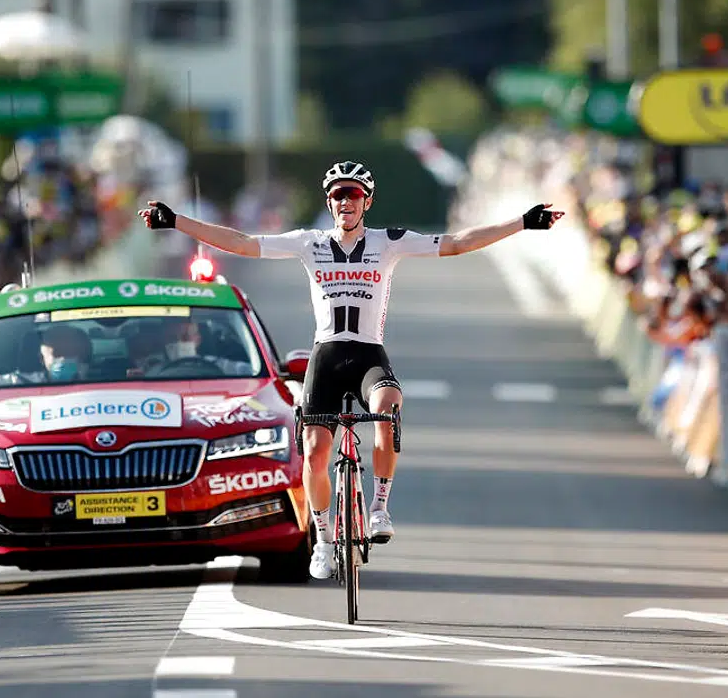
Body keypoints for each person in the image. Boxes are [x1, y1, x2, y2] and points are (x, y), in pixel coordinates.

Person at [140, 160, 563, 580]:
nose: (346, 201)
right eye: (339, 194)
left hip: (367, 356)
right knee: (314, 447)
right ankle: (323, 540)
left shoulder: (389, 242)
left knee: (388, 405)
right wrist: (176, 221)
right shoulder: (310, 243)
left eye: (354, 194)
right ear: (329, 201)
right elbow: (243, 242)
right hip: (326, 355)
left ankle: (379, 507)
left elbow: (455, 242)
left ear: (367, 202)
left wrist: (523, 222)